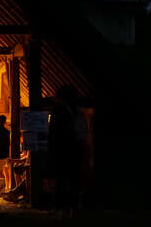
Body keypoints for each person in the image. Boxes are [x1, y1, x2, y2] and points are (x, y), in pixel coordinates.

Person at [47, 85, 87, 219]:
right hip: (76, 149)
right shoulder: (78, 112)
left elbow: (53, 133)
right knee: (73, 179)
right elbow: (83, 132)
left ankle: (62, 208)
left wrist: (51, 150)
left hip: (62, 150)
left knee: (61, 180)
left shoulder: (58, 111)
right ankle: (73, 208)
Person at [0, 115, 11, 192]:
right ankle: (4, 188)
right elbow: (8, 143)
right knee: (2, 172)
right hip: (4, 153)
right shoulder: (7, 132)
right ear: (5, 121)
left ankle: (1, 189)